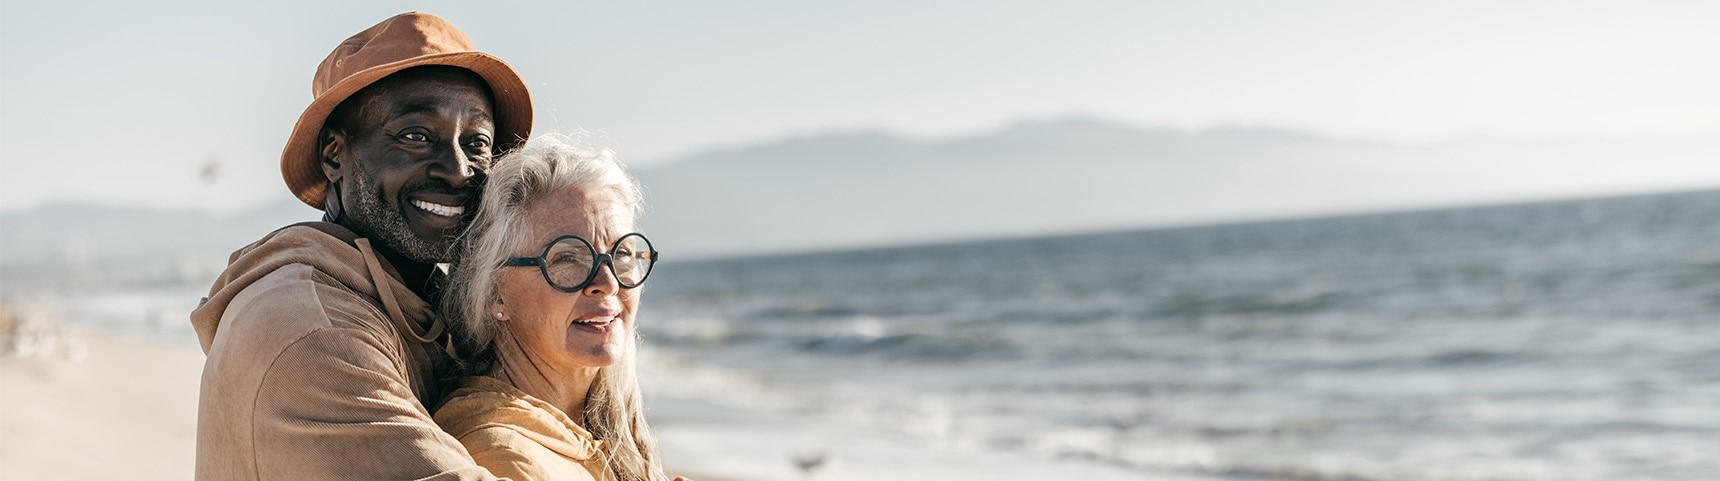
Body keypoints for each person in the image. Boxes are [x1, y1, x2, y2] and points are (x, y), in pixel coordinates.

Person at [190, 12, 531, 479]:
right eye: (416, 136)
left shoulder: (420, 300)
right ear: (335, 154)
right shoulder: (315, 329)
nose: (457, 170)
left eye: (476, 143)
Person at [434, 134, 667, 481]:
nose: (608, 282)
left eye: (621, 254)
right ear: (495, 292)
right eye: (568, 258)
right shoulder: (502, 454)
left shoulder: (601, 427)